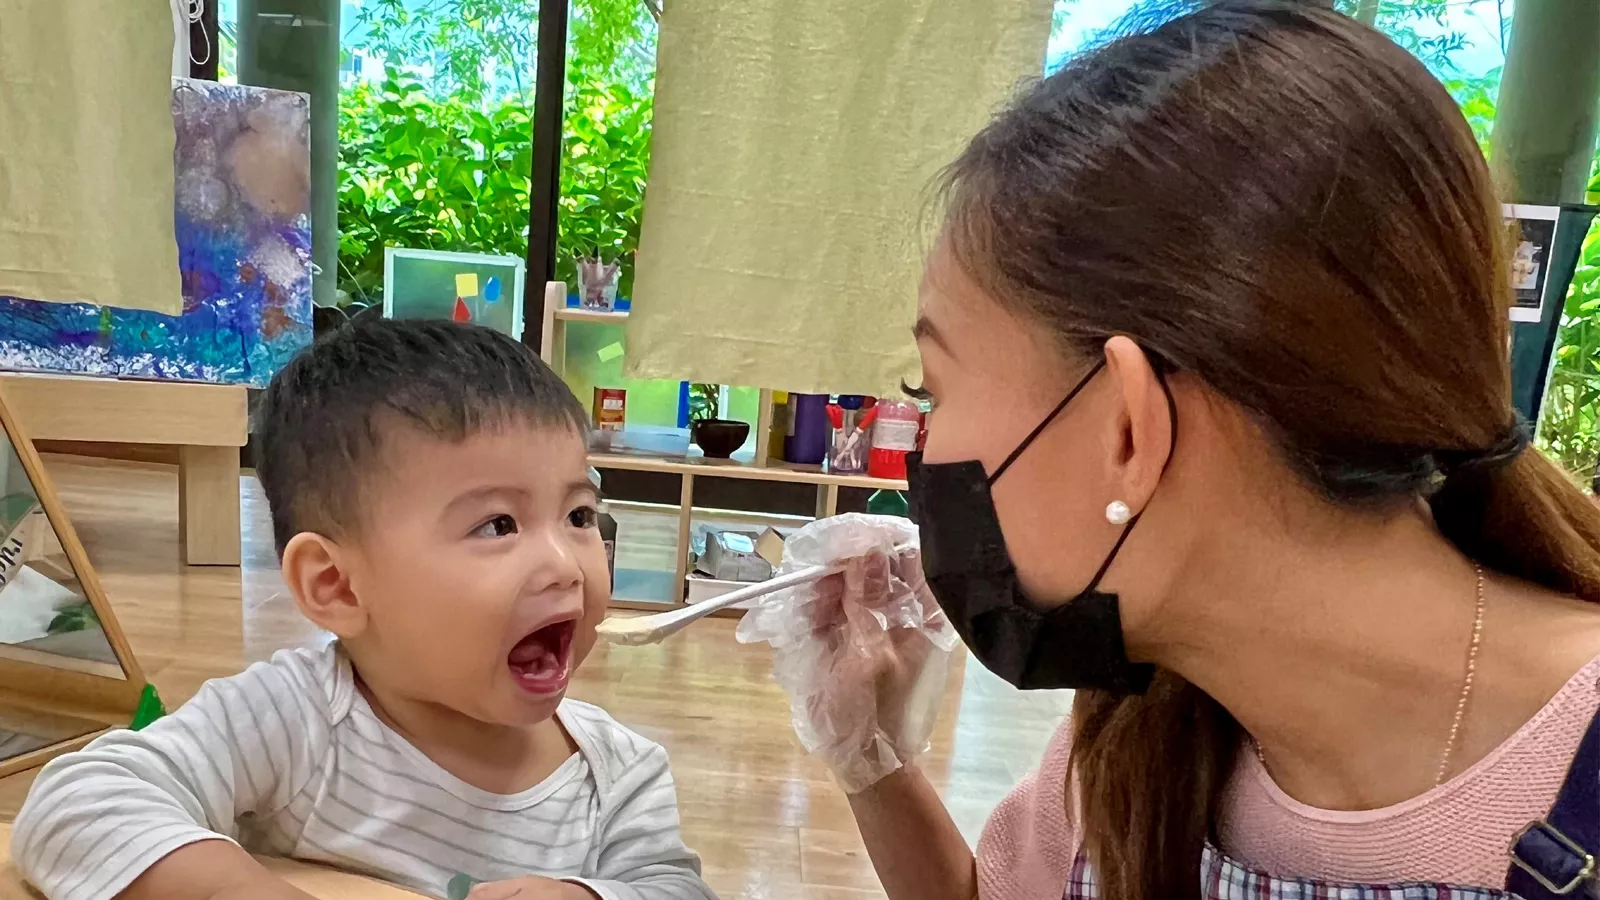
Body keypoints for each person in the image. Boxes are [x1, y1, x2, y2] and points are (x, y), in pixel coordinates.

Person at [771, 2, 1600, 899]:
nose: (929, 446)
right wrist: (873, 757)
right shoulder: (1138, 744)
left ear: (1128, 425)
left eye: (934, 389)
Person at [11, 320, 715, 900]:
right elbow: (77, 801)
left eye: (580, 515)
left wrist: (587, 897)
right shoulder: (296, 717)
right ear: (338, 588)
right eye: (497, 525)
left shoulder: (618, 775)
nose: (566, 563)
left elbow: (675, 890)